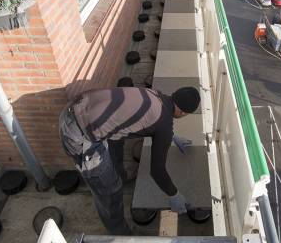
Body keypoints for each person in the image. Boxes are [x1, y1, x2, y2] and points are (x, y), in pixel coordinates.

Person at [59, 86, 200, 235]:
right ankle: (121, 235)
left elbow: (148, 119)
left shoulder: (156, 94)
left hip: (77, 108)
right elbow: (157, 171)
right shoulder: (163, 122)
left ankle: (120, 176)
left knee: (118, 138)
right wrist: (174, 194)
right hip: (80, 135)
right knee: (110, 191)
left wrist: (171, 136)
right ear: (183, 113)